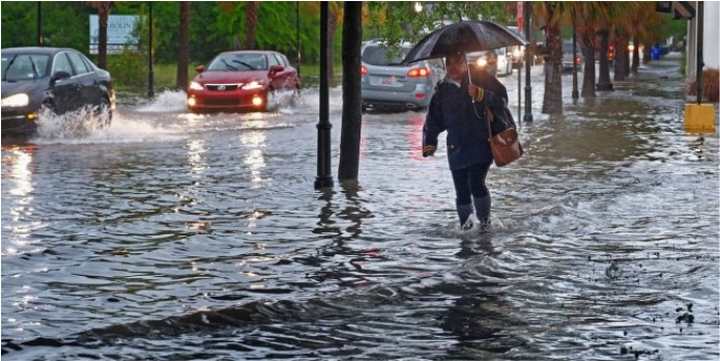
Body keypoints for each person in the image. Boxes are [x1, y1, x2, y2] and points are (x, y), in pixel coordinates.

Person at [422, 53, 506, 229]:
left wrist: (481, 94)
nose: (453, 67)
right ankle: (465, 229)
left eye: (458, 62)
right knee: (461, 191)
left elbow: (501, 100)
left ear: (465, 62)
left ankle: (484, 224)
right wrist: (429, 142)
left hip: (481, 144)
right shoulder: (442, 90)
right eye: (449, 63)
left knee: (476, 182)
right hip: (456, 147)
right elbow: (434, 119)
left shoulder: (481, 78)